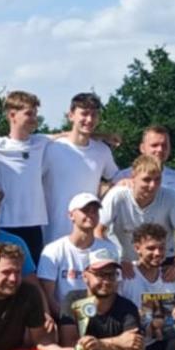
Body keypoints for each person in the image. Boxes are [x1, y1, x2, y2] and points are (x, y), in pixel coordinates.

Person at [38, 193, 119, 346]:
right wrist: (69, 320)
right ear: (71, 215)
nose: (91, 215)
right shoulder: (53, 250)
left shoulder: (109, 248)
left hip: (102, 318)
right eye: (85, 211)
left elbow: (114, 288)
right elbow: (48, 296)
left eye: (95, 211)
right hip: (65, 319)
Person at [0, 91, 50, 260]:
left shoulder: (41, 141)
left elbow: (69, 135)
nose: (34, 118)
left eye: (35, 114)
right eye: (29, 114)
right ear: (12, 115)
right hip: (6, 223)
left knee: (33, 273)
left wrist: (104, 136)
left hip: (34, 224)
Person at [98, 154, 175, 276]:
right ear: (133, 177)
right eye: (146, 180)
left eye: (157, 179)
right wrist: (115, 259)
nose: (152, 185)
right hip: (125, 262)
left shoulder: (171, 196)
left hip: (161, 261)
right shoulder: (117, 196)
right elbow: (98, 231)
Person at [41, 93, 118, 242]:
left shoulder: (102, 151)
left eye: (94, 115)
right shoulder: (51, 148)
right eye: (84, 114)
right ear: (71, 115)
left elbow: (116, 179)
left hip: (87, 238)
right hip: (52, 237)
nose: (89, 119)